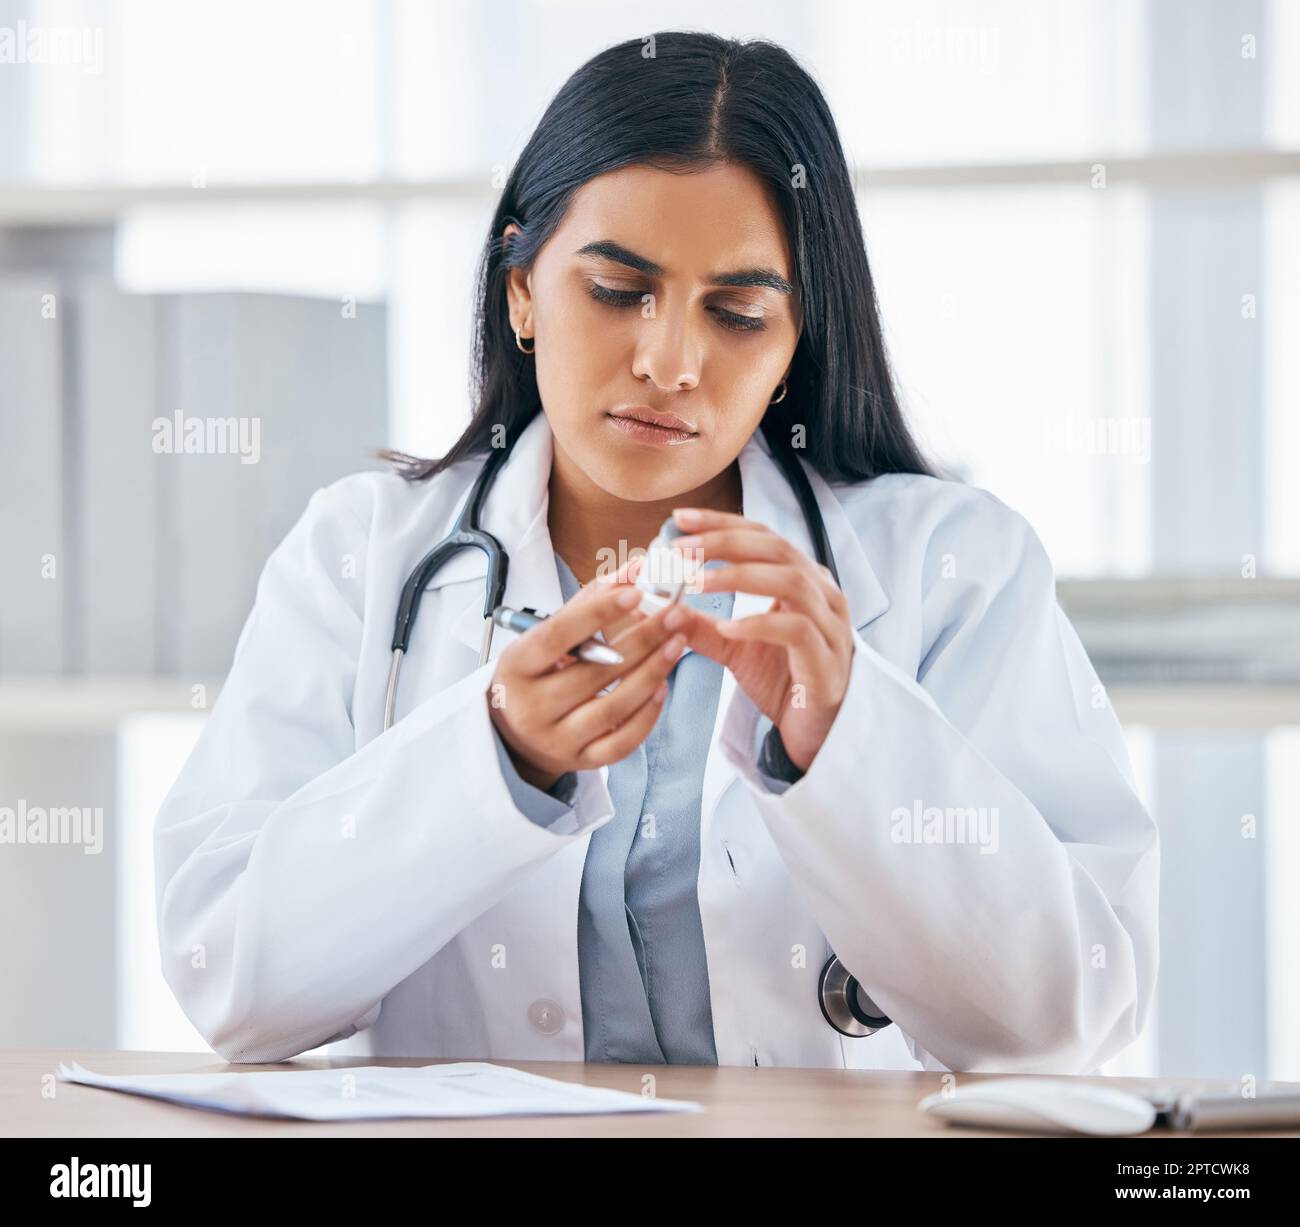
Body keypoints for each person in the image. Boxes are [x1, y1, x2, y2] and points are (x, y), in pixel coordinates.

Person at [153, 32, 1158, 1073]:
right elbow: (228, 982)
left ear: (792, 345)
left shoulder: (955, 570)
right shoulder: (358, 552)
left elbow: (1064, 1022)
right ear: (522, 290)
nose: (667, 362)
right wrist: (494, 755)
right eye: (617, 290)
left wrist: (849, 737)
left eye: (736, 313)